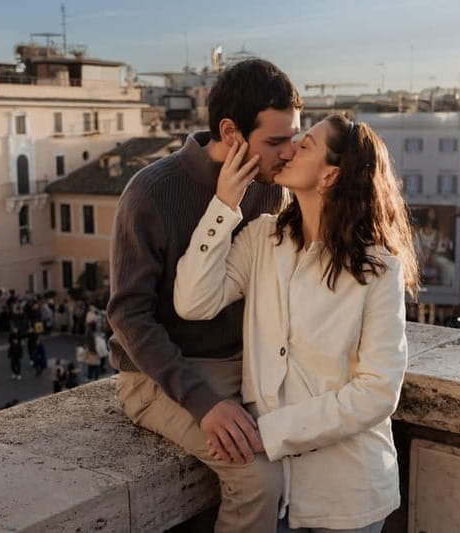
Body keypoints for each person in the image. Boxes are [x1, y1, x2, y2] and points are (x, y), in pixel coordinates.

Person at [174, 114, 419, 531]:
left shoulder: (378, 270)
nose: (288, 150)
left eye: (305, 145)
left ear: (330, 176)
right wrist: (224, 206)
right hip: (279, 494)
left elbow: (377, 392)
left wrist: (269, 432)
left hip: (347, 495)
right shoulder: (262, 238)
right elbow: (193, 302)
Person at [108, 58, 302, 532]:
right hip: (160, 379)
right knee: (258, 477)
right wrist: (202, 401)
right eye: (276, 142)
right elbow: (128, 316)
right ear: (231, 132)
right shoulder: (150, 192)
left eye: (294, 137)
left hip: (248, 369)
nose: (289, 153)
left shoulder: (271, 191)